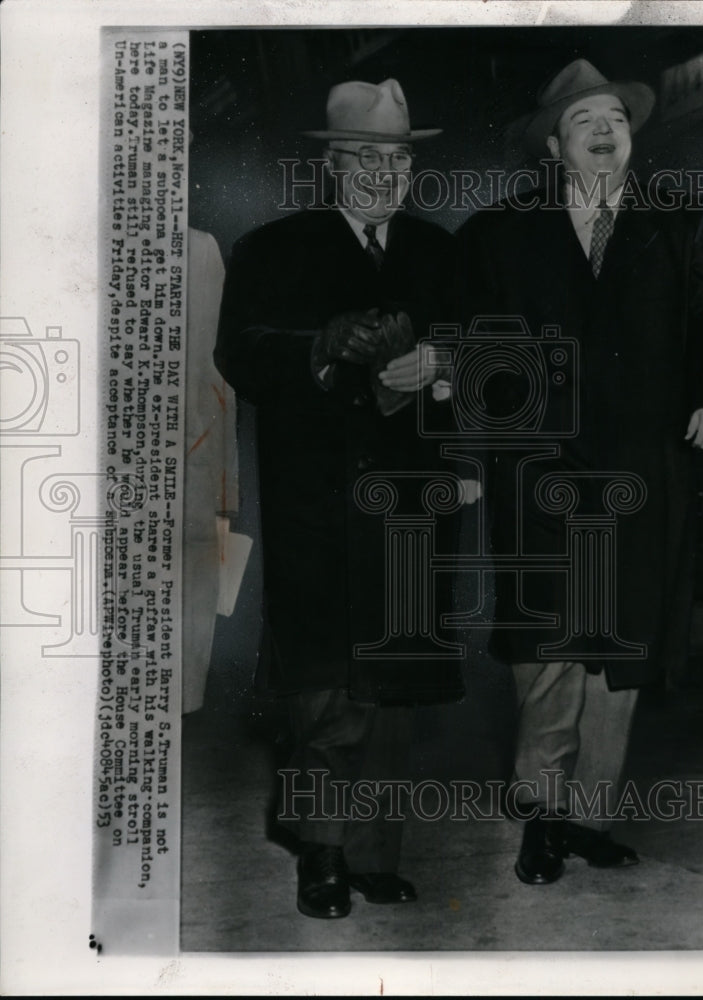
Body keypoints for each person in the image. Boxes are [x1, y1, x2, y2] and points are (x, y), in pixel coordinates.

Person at [457, 59, 703, 884]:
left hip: (643, 467)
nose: (601, 129)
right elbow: (478, 355)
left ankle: (588, 818)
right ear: (552, 145)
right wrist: (481, 457)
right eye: (582, 119)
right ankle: (540, 816)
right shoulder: (497, 236)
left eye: (613, 117)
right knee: (550, 646)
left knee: (621, 647)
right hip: (540, 471)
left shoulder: (683, 226)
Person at [214, 79, 463, 918]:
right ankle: (320, 853)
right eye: (363, 156)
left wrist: (439, 367)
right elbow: (240, 353)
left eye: (396, 157)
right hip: (316, 505)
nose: (381, 172)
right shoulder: (270, 249)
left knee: (389, 688)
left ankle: (370, 853)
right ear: (328, 163)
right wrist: (320, 349)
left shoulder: (440, 252)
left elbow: (492, 350)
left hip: (409, 509)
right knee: (323, 685)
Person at [182, 226, 239, 715]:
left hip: (193, 448)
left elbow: (220, 366)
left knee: (195, 577)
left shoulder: (200, 249)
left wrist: (226, 483)